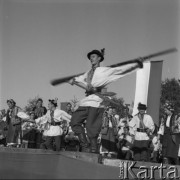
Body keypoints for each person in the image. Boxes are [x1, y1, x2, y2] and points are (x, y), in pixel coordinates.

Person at [68, 49, 144, 153]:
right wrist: (73, 80)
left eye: (93, 56)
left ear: (99, 58)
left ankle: (93, 149)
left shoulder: (104, 70)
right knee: (74, 121)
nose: (91, 59)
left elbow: (119, 70)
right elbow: (82, 82)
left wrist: (135, 64)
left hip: (96, 101)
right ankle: (85, 145)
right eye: (90, 57)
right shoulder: (88, 73)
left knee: (91, 127)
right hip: (86, 101)